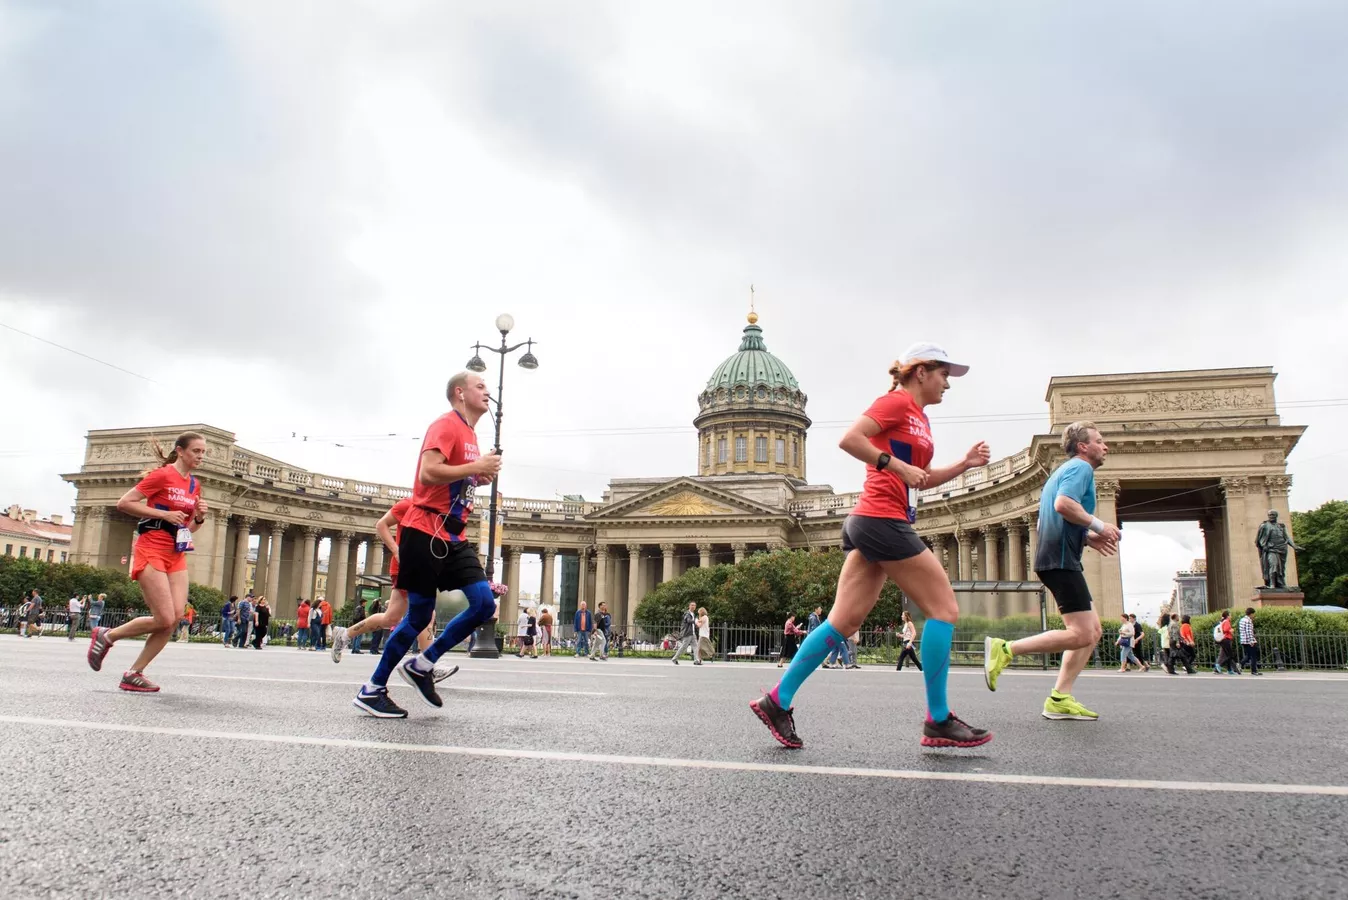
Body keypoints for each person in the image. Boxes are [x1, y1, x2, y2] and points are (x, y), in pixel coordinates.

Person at [751, 343, 993, 749]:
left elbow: (921, 478)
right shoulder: (895, 403)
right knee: (944, 610)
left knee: (843, 622)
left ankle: (777, 700)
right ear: (921, 372)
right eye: (944, 374)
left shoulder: (920, 418)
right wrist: (895, 465)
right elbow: (851, 439)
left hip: (874, 520)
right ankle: (937, 719)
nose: (948, 383)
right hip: (881, 518)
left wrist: (964, 465)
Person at [351, 370, 503, 718]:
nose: (487, 393)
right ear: (459, 392)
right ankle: (372, 689)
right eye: (480, 386)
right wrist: (476, 465)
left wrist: (476, 476)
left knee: (483, 604)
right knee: (417, 616)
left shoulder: (469, 434)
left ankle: (423, 664)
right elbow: (428, 473)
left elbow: (452, 479)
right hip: (425, 532)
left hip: (454, 534)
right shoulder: (446, 425)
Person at [983, 421, 1120, 721]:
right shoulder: (1080, 468)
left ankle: (1060, 697)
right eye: (1099, 440)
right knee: (1082, 633)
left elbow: (1059, 516)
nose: (1105, 445)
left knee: (1091, 631)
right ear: (1083, 446)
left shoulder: (1064, 471)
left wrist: (1088, 539)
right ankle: (1005, 649)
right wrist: (1099, 525)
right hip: (1059, 560)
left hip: (1060, 558)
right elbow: (1063, 505)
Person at [87, 432, 209, 692]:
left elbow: (186, 527)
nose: (200, 456)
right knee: (163, 617)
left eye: (203, 452)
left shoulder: (194, 485)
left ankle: (134, 673)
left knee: (174, 618)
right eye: (196, 451)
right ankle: (107, 635)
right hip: (151, 547)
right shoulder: (162, 475)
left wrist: (197, 518)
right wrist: (162, 514)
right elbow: (125, 503)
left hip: (175, 552)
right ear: (180, 451)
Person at [333, 499, 441, 665]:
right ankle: (428, 665)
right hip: (406, 567)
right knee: (425, 612)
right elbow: (381, 524)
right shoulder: (409, 505)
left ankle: (345, 634)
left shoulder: (438, 510)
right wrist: (396, 550)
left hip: (422, 567)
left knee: (390, 619)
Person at [1239, 607, 1261, 675]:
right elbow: (1249, 632)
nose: (1254, 616)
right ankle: (1254, 671)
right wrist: (1251, 641)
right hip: (1249, 641)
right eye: (1253, 614)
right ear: (1251, 614)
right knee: (1253, 655)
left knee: (1248, 655)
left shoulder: (1242, 620)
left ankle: (1240, 664)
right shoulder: (1248, 621)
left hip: (1243, 640)